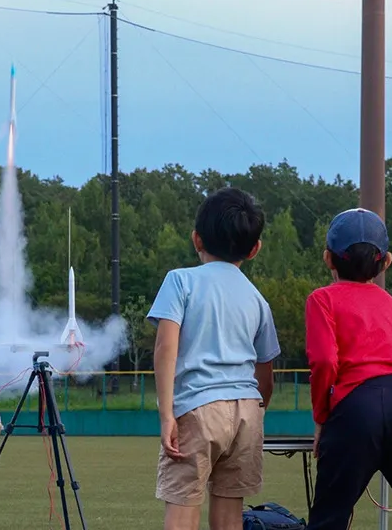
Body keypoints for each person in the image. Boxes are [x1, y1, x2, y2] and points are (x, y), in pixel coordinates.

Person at [147, 187, 281, 530]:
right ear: (255, 249)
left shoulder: (180, 281)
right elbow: (266, 377)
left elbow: (165, 349)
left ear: (197, 239)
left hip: (198, 407)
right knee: (229, 515)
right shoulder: (258, 300)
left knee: (183, 506)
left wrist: (167, 416)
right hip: (247, 412)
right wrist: (254, 411)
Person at [305, 208, 392, 530]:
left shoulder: (321, 299)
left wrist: (322, 417)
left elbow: (324, 361)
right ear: (387, 261)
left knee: (328, 519)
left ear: (328, 258)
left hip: (355, 407)